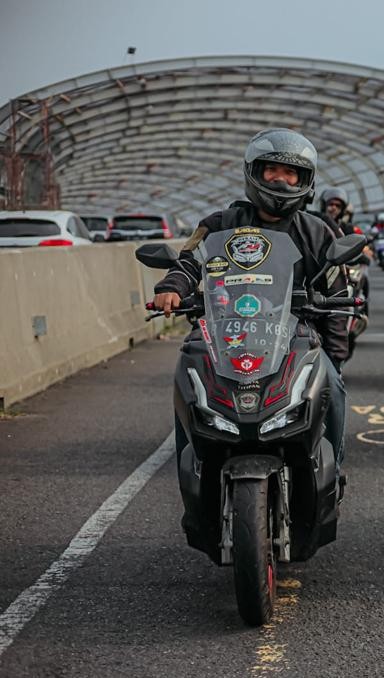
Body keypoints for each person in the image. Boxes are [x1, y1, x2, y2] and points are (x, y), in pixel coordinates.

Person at [152, 128, 352, 489]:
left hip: (296, 336)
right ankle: (194, 475)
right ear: (254, 173)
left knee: (333, 388)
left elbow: (338, 291)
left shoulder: (318, 231)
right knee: (188, 384)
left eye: (291, 173)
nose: (281, 178)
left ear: (305, 180)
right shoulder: (219, 224)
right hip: (225, 332)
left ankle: (331, 474)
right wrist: (172, 288)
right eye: (272, 169)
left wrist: (335, 355)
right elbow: (188, 260)